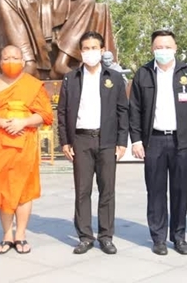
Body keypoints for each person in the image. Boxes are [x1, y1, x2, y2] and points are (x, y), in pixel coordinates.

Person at [129, 30, 187, 256]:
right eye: (158, 47)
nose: (163, 51)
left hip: (181, 141)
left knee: (180, 190)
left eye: (167, 46)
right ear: (152, 49)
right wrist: (136, 140)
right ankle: (158, 238)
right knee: (155, 191)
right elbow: (134, 109)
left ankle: (179, 236)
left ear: (175, 48)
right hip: (153, 140)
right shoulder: (144, 74)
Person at [57, 31, 129, 255]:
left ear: (102, 50)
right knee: (83, 190)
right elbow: (62, 112)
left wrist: (122, 141)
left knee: (107, 189)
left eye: (94, 48)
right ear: (80, 52)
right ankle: (85, 237)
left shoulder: (114, 78)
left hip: (107, 140)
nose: (90, 52)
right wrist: (65, 141)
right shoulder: (71, 78)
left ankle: (106, 236)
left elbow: (122, 111)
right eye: (86, 49)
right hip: (81, 140)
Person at [0, 45, 54, 255]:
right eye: (6, 58)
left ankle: (20, 234)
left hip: (24, 147)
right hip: (0, 146)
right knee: (3, 190)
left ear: (23, 61)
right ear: (0, 61)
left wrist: (24, 122)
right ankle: (7, 235)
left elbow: (45, 115)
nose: (11, 61)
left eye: (15, 57)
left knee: (23, 191)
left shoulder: (33, 85)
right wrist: (3, 122)